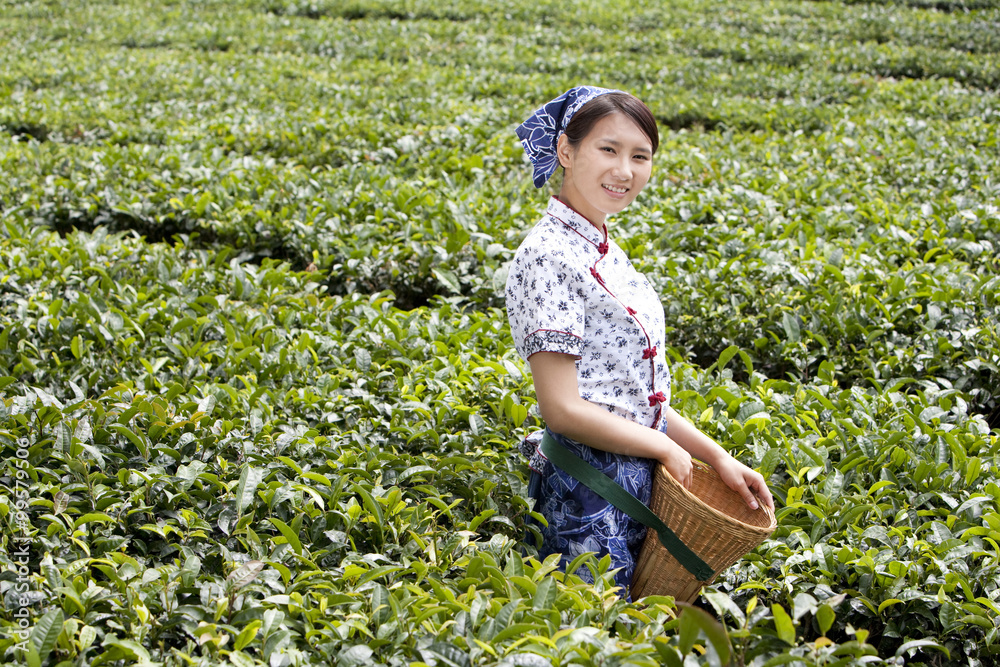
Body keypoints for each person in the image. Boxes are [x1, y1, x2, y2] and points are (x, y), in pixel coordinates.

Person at [505, 86, 775, 598]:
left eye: (640, 156)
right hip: (588, 493)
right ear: (566, 151)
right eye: (608, 149)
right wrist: (663, 448)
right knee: (591, 637)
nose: (624, 171)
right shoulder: (548, 255)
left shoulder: (603, 248)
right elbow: (562, 409)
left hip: (636, 482)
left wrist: (716, 457)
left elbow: (630, 396)